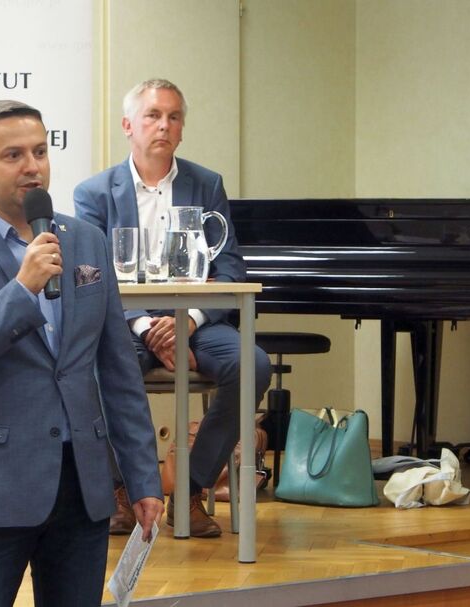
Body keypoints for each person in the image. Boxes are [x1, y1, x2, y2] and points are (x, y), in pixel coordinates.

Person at [0, 100, 163, 606]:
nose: (32, 167)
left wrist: (142, 477)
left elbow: (117, 371)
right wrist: (21, 291)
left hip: (81, 486)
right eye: (13, 155)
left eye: (40, 152)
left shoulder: (85, 240)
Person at [74, 78, 272, 538]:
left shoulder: (207, 184)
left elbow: (230, 269)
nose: (164, 125)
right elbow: (90, 276)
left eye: (174, 116)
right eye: (153, 115)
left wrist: (189, 322)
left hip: (197, 321)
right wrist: (146, 326)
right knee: (93, 367)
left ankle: (190, 488)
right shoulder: (94, 193)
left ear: (182, 129)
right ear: (128, 125)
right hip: (125, 324)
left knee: (253, 364)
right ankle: (123, 490)